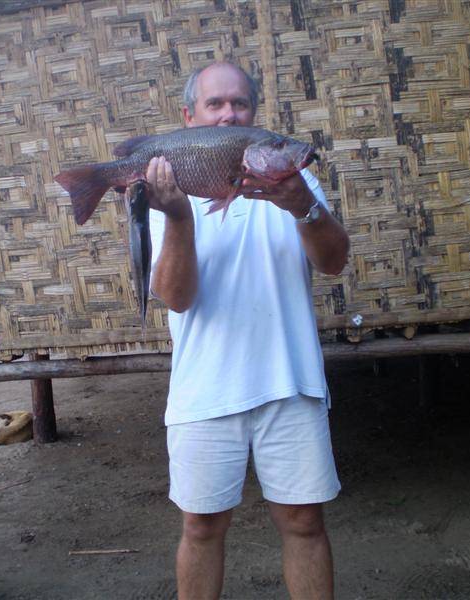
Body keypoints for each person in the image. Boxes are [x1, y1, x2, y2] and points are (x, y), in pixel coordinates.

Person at [146, 62, 350, 600]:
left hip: (291, 382)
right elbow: (176, 297)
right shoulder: (167, 190)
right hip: (204, 390)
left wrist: (305, 207)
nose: (228, 112)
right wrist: (180, 219)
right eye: (215, 104)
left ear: (253, 116)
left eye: (238, 103)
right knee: (201, 528)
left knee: (305, 524)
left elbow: (334, 262)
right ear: (189, 117)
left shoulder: (297, 182)